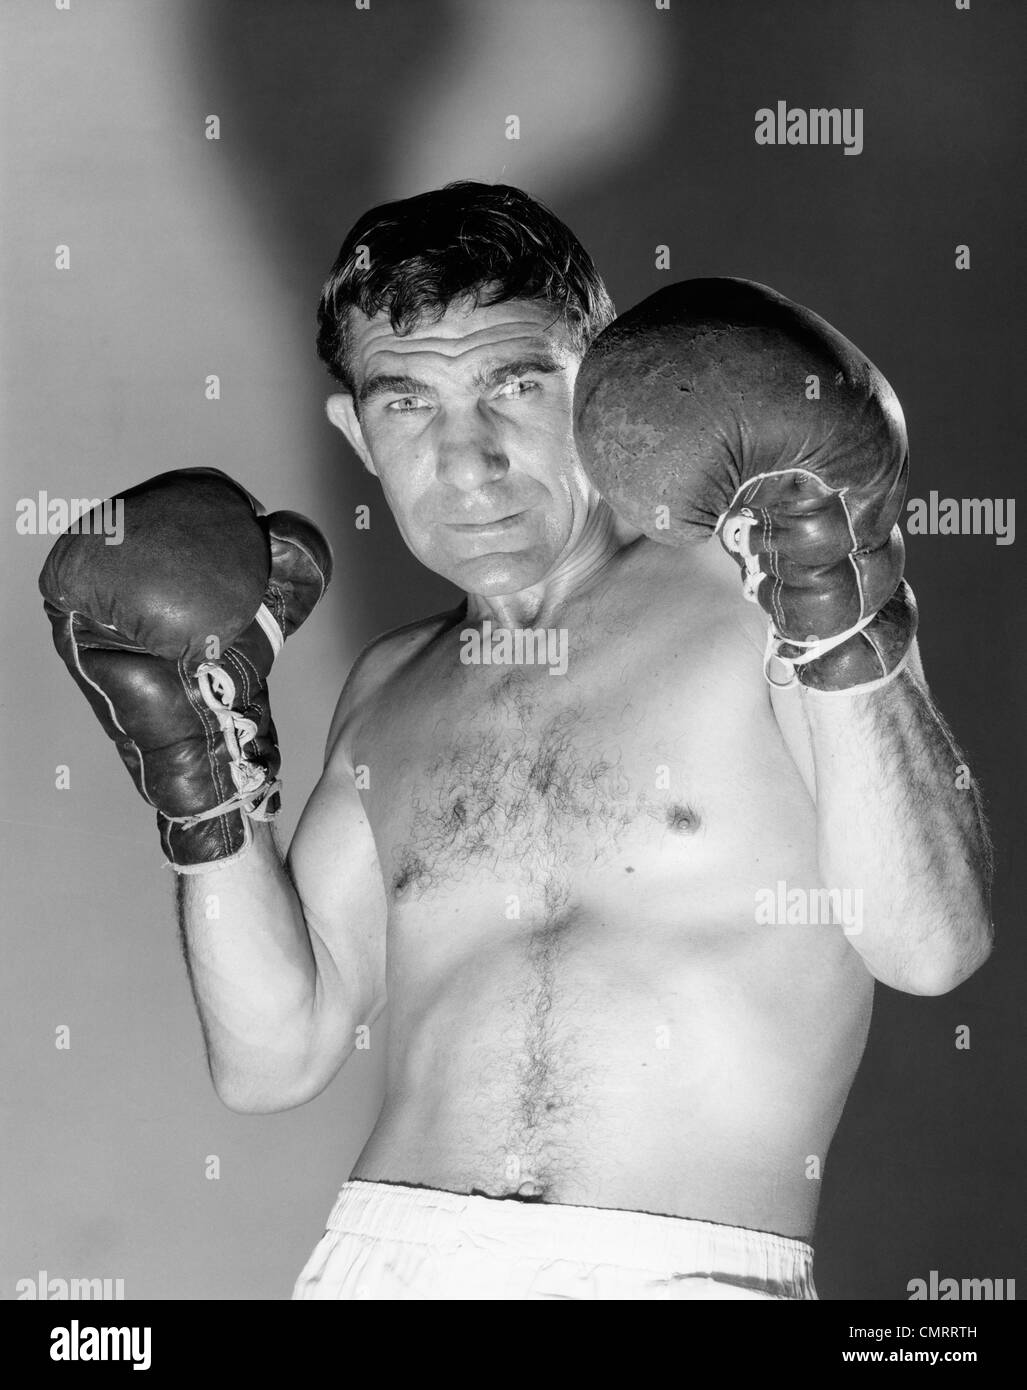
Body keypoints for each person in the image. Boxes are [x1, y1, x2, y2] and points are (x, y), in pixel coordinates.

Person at [41, 181, 993, 1301]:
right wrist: (197, 785)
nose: (467, 460)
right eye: (407, 405)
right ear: (354, 430)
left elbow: (928, 946)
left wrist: (841, 607)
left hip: (679, 1268)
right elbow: (273, 1056)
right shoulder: (390, 686)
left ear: (606, 388)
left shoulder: (760, 603)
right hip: (380, 1264)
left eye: (514, 384)